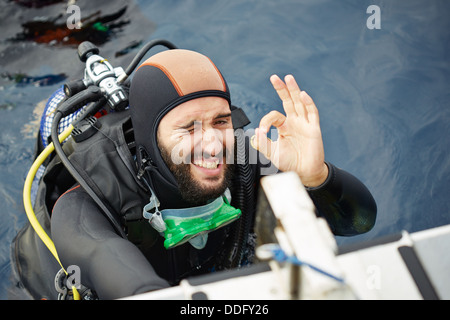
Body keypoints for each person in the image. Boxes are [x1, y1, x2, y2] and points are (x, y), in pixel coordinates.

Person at [29, 49, 376, 299]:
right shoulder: (87, 202)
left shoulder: (244, 156)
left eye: (220, 121)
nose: (212, 144)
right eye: (188, 128)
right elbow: (136, 289)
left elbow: (359, 223)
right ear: (150, 135)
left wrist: (315, 176)